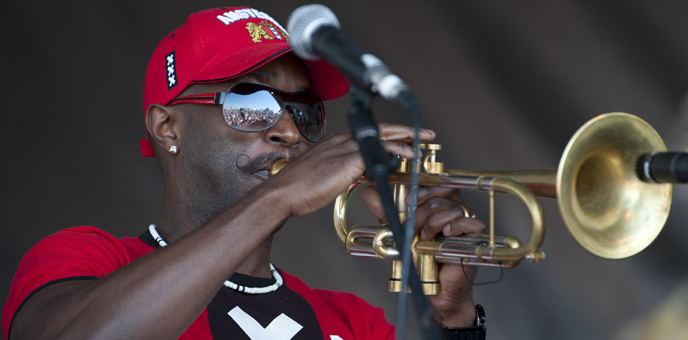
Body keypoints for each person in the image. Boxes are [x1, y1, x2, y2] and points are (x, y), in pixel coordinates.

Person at [2, 7, 486, 340]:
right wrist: (277, 197)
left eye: (304, 113)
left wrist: (454, 320)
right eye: (251, 104)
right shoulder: (87, 259)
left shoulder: (350, 319)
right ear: (168, 127)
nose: (289, 133)